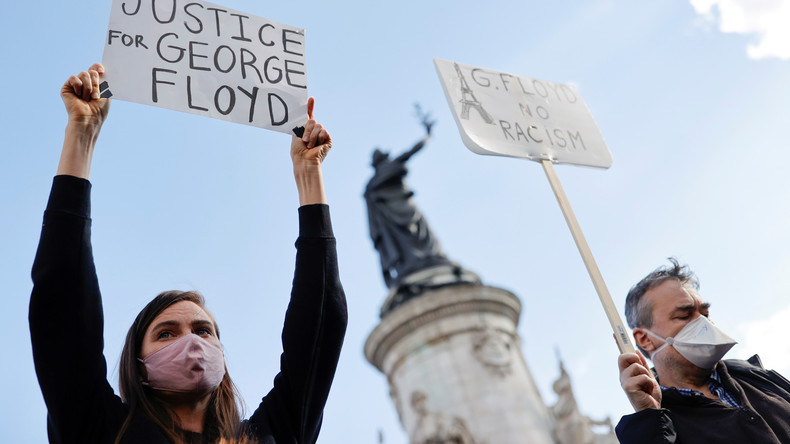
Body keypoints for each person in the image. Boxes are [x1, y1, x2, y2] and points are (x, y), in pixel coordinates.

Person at [29, 63, 348, 444]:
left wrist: (308, 175)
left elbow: (319, 322)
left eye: (203, 330)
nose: (192, 343)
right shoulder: (102, 429)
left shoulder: (271, 433)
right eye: (166, 334)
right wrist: (82, 132)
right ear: (139, 365)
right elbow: (62, 295)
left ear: (222, 354)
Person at [615, 258, 790, 443]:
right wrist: (649, 419)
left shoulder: (757, 377)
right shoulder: (655, 425)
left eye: (705, 314)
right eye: (684, 315)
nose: (704, 323)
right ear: (645, 339)